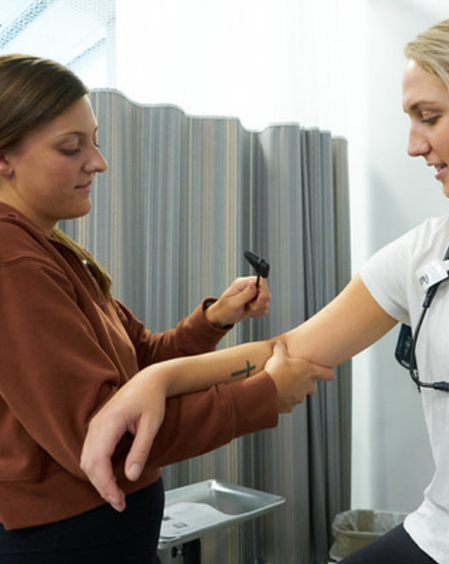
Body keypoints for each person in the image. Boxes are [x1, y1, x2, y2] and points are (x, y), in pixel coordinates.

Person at [81, 5, 449, 563]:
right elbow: (288, 350)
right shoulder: (427, 251)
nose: (413, 144)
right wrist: (154, 380)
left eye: (429, 116)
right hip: (445, 537)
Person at [0, 54, 333, 564]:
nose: (98, 162)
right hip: (65, 542)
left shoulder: (53, 252)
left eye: (94, 141)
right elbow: (106, 437)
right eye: (71, 148)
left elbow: (143, 363)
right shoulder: (11, 261)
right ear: (4, 158)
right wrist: (261, 395)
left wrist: (214, 319)